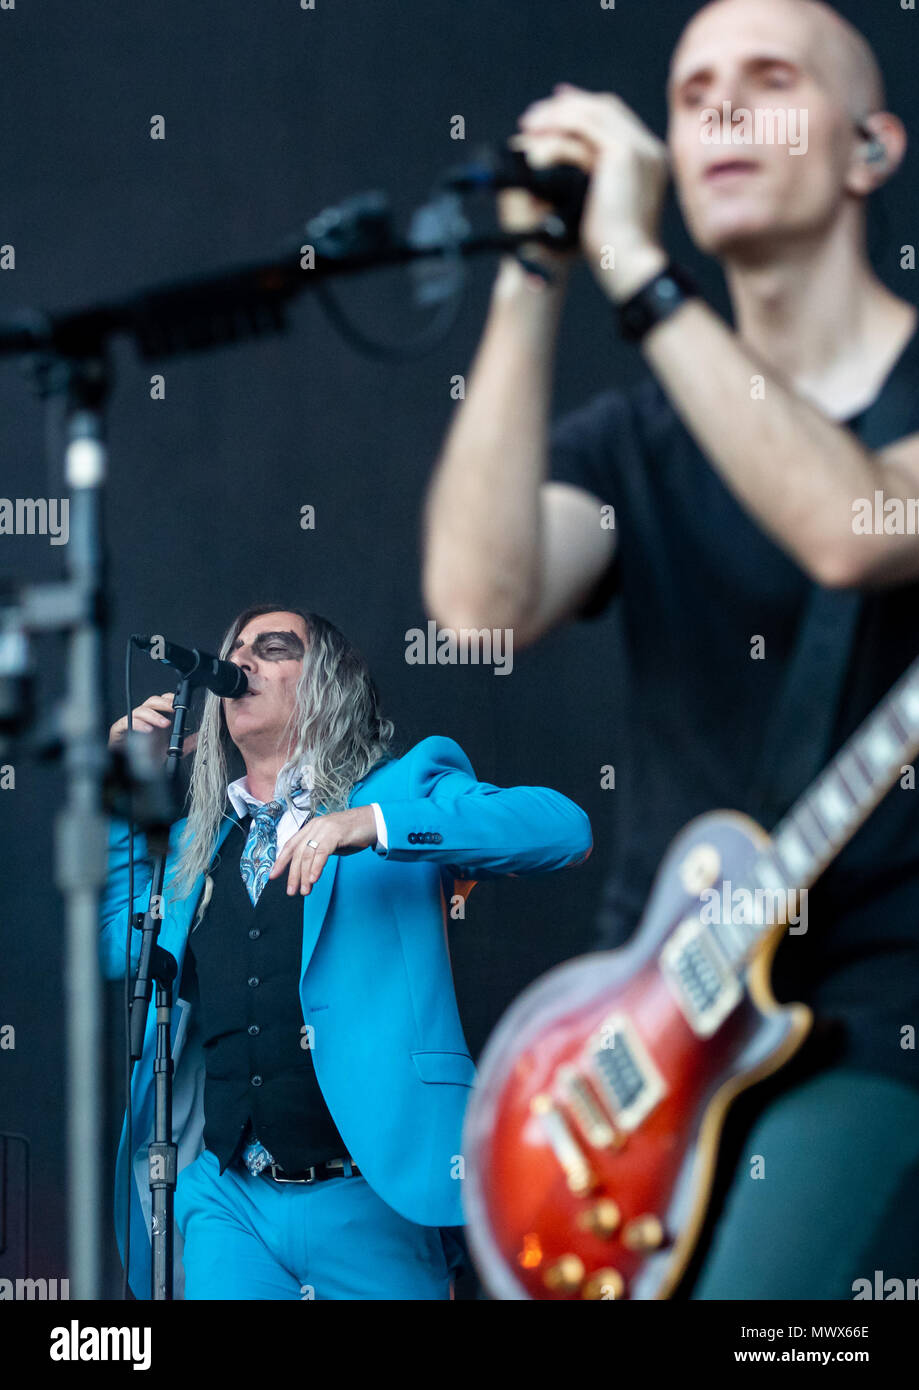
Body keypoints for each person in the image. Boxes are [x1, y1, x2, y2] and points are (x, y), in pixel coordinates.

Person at [423, 0, 919, 1298]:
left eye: (766, 81)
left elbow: (846, 528)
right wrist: (533, 277)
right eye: (691, 95)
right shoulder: (631, 435)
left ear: (869, 149)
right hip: (642, 1026)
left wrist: (639, 271)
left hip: (875, 1008)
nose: (717, 115)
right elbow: (480, 603)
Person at [102, 604, 592, 1299]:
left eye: (272, 649)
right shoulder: (194, 844)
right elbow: (118, 947)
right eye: (234, 647)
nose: (241, 662)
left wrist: (374, 823)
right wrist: (130, 789)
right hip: (228, 1200)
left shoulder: (399, 789)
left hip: (373, 1194)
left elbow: (562, 831)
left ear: (329, 685)